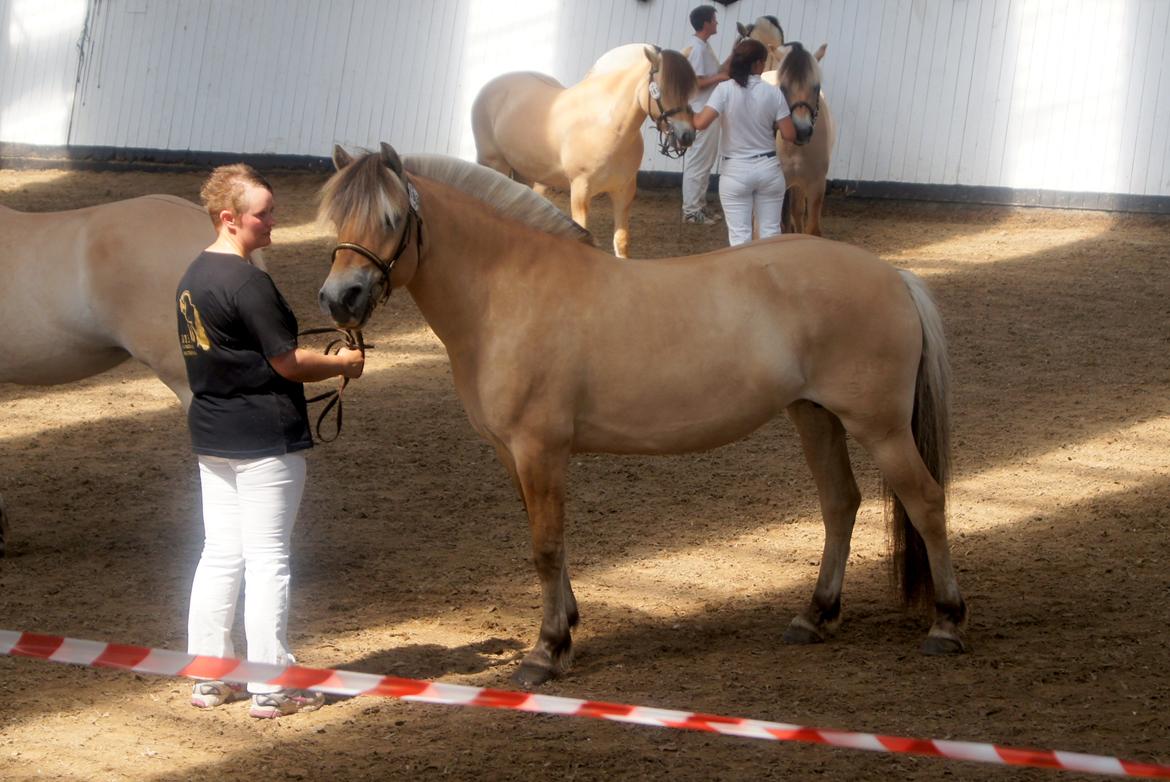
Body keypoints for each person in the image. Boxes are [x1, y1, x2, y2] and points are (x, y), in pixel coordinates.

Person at [176, 164, 364, 719]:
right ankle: (272, 684)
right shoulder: (247, 282)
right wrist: (341, 364)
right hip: (262, 438)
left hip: (213, 434)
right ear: (230, 219)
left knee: (219, 555)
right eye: (264, 215)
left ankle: (210, 677)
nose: (274, 223)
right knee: (267, 562)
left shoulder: (193, 276)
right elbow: (285, 362)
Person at [693, 38, 798, 246]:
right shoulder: (773, 92)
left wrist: (684, 111)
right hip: (768, 168)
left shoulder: (724, 90)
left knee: (740, 237)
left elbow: (700, 123)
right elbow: (789, 135)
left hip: (735, 170)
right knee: (770, 233)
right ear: (759, 64)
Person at [681, 4, 730, 225]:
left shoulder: (703, 47)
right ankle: (691, 211)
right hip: (701, 111)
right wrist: (720, 79)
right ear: (706, 23)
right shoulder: (698, 49)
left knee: (704, 162)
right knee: (698, 162)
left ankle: (698, 207)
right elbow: (696, 82)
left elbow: (718, 72)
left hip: (707, 111)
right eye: (714, 19)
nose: (717, 23)